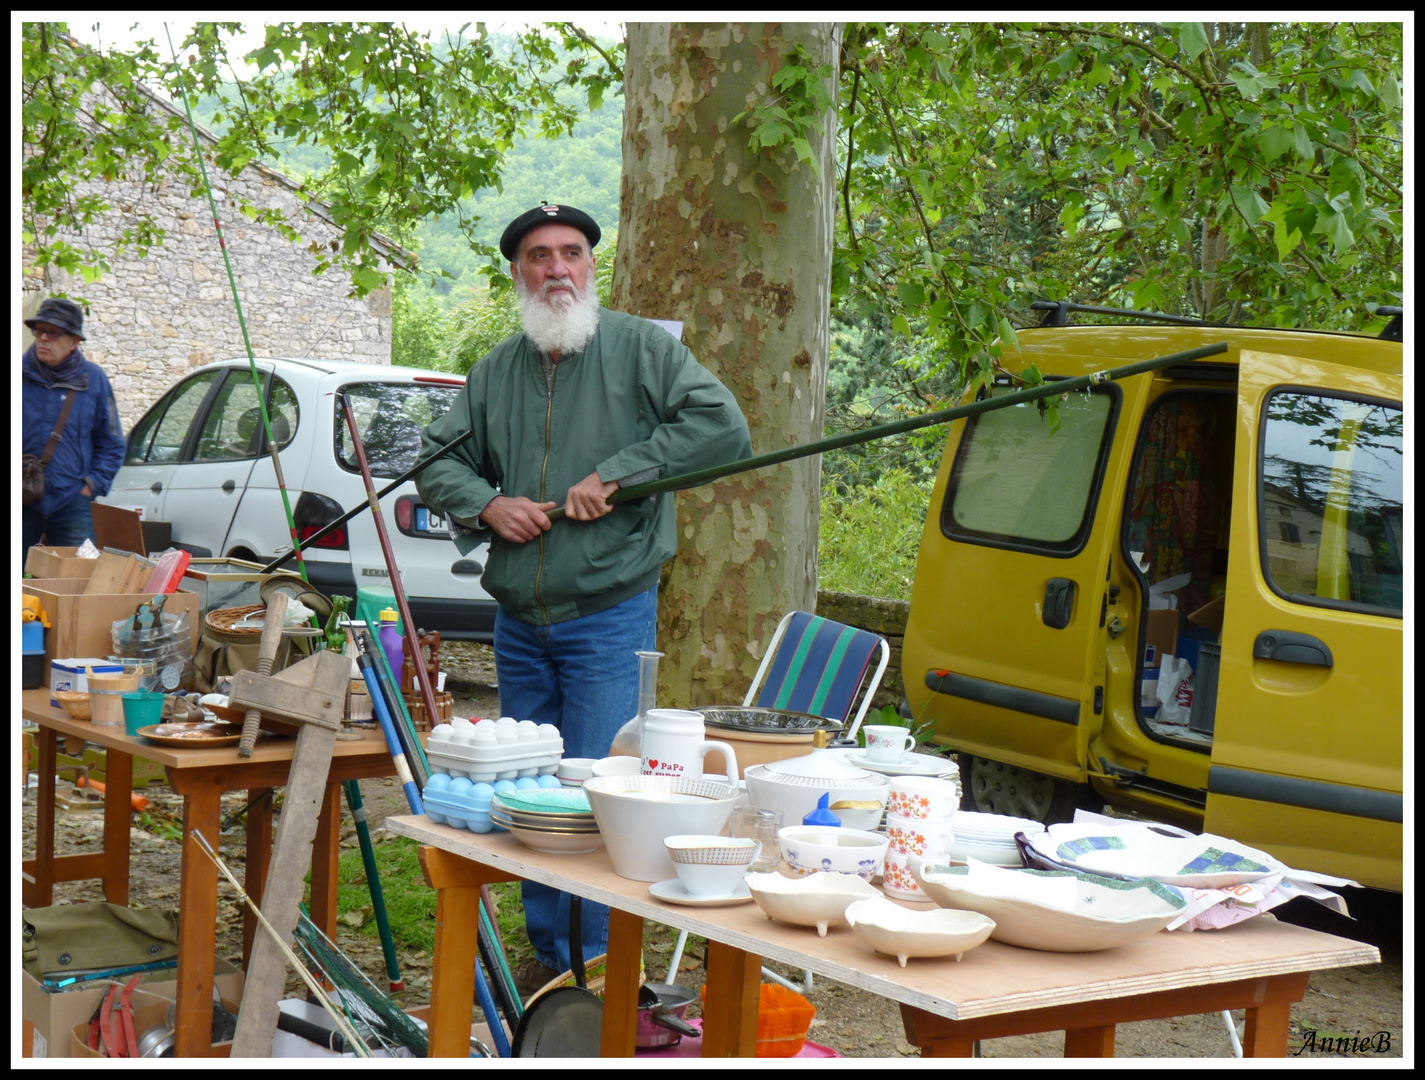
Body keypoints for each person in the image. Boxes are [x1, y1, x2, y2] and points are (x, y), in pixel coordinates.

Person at [416, 203, 752, 996]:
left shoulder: (640, 349)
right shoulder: (496, 369)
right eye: (539, 256)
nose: (556, 267)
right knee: (533, 798)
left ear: (592, 266)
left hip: (607, 615)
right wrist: (487, 504)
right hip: (518, 620)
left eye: (571, 252)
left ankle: (600, 970)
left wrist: (621, 472)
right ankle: (550, 956)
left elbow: (723, 428)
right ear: (518, 273)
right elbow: (436, 464)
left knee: (604, 794)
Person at [22, 298, 126, 568]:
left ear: (74, 341)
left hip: (71, 501)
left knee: (76, 582)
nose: (43, 338)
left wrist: (90, 486)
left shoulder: (94, 381)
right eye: (39, 330)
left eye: (53, 332)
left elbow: (112, 444)